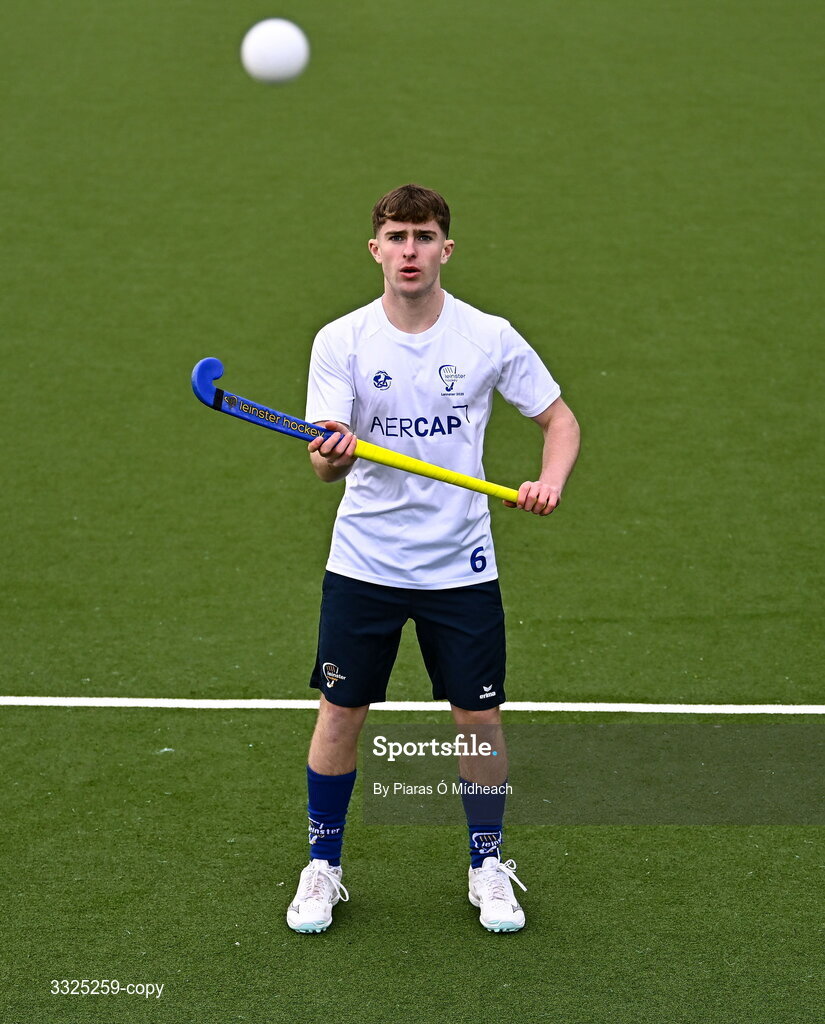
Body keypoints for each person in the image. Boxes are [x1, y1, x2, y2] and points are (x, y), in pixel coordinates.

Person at [286, 184, 580, 933]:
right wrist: (334, 452)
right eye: (397, 236)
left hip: (459, 564)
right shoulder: (341, 341)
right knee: (340, 712)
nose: (409, 250)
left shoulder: (487, 336)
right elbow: (323, 466)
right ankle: (322, 865)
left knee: (477, 716)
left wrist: (548, 482)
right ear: (375, 250)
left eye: (422, 236)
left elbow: (559, 420)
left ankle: (487, 865)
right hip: (365, 561)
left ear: (445, 248)